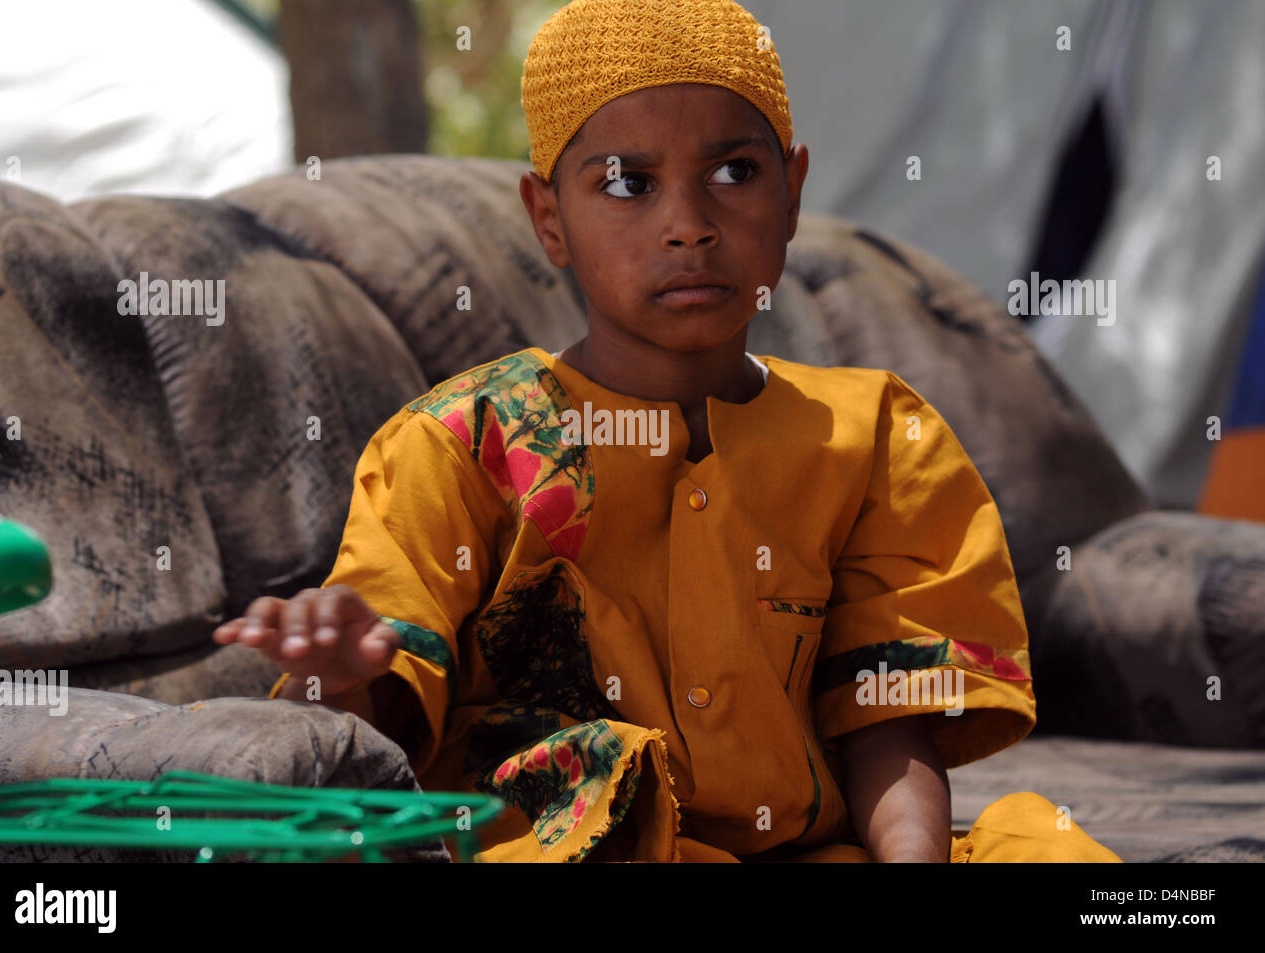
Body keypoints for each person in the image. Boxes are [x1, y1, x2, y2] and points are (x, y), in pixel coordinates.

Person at [214, 0, 1121, 863]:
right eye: (626, 184)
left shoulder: (876, 437)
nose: (689, 225)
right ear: (549, 219)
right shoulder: (462, 444)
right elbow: (367, 734)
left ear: (793, 192)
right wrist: (336, 666)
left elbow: (885, 716)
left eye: (734, 172)